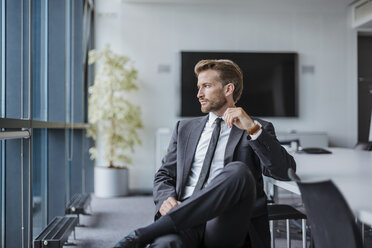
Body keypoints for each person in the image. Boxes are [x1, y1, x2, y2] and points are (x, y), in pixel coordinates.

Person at [113, 59, 296, 248]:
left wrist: (252, 129)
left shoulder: (258, 128)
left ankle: (141, 236)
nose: (199, 94)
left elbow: (284, 171)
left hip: (226, 221)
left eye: (206, 86)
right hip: (183, 217)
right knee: (166, 245)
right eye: (199, 87)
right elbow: (164, 175)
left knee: (238, 171)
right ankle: (160, 231)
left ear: (228, 89)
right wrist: (165, 199)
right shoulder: (184, 128)